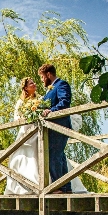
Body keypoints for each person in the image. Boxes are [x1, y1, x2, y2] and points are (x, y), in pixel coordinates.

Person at [4, 77, 88, 195]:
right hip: (28, 131)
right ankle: (30, 185)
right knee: (27, 156)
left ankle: (54, 185)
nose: (34, 84)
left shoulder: (40, 99)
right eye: (31, 83)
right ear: (26, 88)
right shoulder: (21, 102)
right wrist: (28, 118)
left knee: (49, 153)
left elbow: (46, 110)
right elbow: (17, 118)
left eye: (34, 82)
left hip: (41, 130)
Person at [38, 64, 72, 193]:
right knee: (59, 156)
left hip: (60, 124)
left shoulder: (61, 85)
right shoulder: (50, 89)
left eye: (42, 77)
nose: (42, 80)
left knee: (54, 155)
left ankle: (59, 187)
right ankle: (65, 187)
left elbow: (64, 102)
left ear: (48, 74)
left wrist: (50, 110)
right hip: (52, 127)